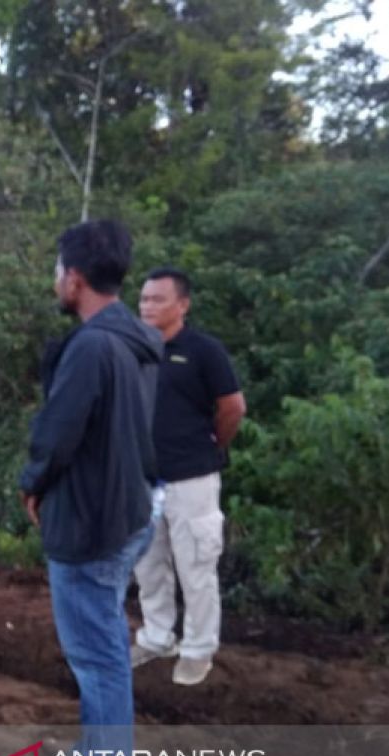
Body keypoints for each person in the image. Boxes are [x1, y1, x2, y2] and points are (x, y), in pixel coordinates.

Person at [19, 219, 162, 756]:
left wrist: (33, 484)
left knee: (99, 655)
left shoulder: (92, 346)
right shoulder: (137, 338)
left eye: (59, 271)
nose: (55, 280)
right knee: (104, 640)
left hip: (91, 524)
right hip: (129, 511)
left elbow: (57, 435)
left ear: (74, 280)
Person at [132, 267, 246, 686]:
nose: (147, 306)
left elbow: (232, 407)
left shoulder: (203, 350)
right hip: (143, 479)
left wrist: (213, 443)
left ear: (182, 304)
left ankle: (198, 649)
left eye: (158, 299)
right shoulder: (133, 349)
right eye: (143, 299)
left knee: (196, 566)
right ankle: (157, 635)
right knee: (148, 563)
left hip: (192, 479)